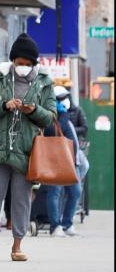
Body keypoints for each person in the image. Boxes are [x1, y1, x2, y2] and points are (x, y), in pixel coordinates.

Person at [0, 34, 56, 262]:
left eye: (27, 64)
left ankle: (17, 246)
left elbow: (50, 116)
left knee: (21, 199)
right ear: (13, 61)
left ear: (34, 64)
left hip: (27, 151)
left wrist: (33, 110)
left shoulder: (45, 82)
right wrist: (3, 106)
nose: (23, 67)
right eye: (19, 63)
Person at [42, 85, 81, 237]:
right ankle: (55, 226)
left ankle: (67, 224)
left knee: (75, 192)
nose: (65, 101)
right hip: (57, 160)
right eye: (61, 99)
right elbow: (53, 131)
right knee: (55, 192)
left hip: (72, 161)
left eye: (65, 98)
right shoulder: (52, 116)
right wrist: (61, 115)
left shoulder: (66, 114)